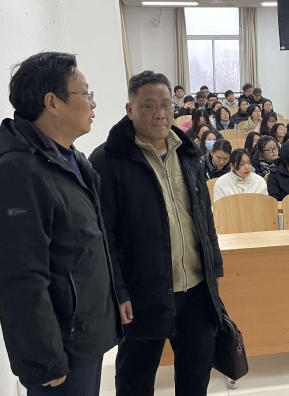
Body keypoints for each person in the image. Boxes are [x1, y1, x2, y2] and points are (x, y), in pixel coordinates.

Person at [0, 52, 120, 395]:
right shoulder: (17, 173)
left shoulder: (71, 159)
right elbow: (19, 276)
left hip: (83, 337)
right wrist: (44, 358)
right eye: (85, 94)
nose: (93, 104)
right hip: (59, 349)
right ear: (52, 102)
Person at [89, 70, 223, 396]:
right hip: (142, 293)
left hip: (196, 291)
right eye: (148, 105)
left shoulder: (188, 153)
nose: (160, 113)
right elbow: (103, 235)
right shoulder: (108, 160)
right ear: (130, 109)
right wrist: (118, 291)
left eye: (165, 104)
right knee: (135, 379)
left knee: (195, 377)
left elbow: (204, 216)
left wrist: (214, 270)